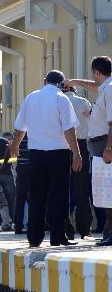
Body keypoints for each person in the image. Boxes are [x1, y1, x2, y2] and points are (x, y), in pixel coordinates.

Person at [8, 70, 82, 247]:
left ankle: (34, 238)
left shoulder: (31, 97)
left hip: (36, 153)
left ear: (44, 81)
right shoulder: (62, 98)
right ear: (62, 84)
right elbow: (69, 129)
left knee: (36, 196)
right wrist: (76, 153)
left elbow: (20, 127)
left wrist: (15, 146)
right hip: (59, 152)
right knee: (59, 195)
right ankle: (57, 237)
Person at [66, 56, 112, 245]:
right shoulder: (105, 88)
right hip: (100, 144)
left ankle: (110, 233)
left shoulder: (110, 90)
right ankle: (108, 232)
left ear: (97, 72)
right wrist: (75, 82)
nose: (93, 79)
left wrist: (109, 148)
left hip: (105, 144)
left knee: (108, 190)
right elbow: (94, 86)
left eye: (93, 74)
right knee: (105, 191)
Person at [64, 86, 93, 238]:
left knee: (62, 189)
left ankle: (65, 227)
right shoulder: (83, 102)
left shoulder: (59, 101)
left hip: (62, 146)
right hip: (81, 145)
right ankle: (84, 229)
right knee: (82, 189)